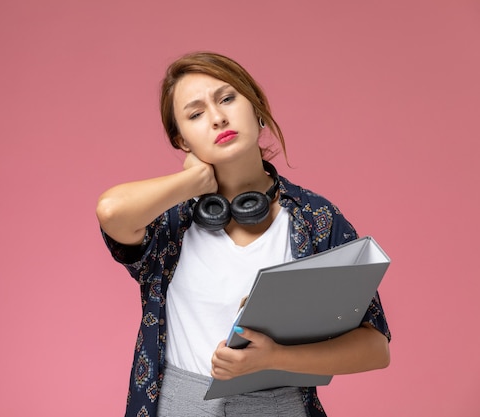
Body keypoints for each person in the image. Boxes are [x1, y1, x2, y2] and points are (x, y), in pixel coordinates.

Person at [96, 51, 391, 417]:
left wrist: (276, 358)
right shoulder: (169, 223)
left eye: (227, 98)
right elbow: (110, 211)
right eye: (195, 114)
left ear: (258, 109)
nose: (218, 118)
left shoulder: (316, 219)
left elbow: (376, 348)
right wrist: (193, 180)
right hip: (177, 406)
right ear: (182, 140)